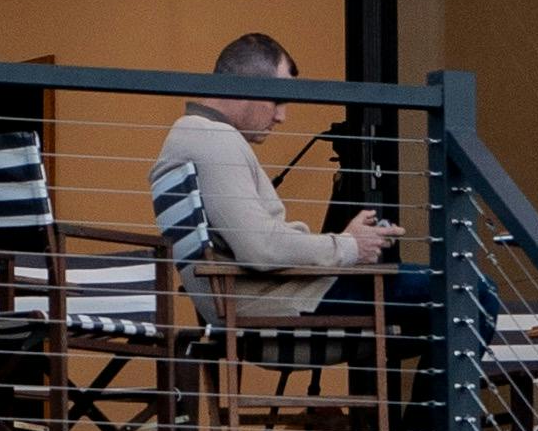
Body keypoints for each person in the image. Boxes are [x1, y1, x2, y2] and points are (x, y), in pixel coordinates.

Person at [158, 32, 399, 321]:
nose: (281, 117)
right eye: (277, 100)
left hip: (272, 296)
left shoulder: (193, 135)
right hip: (282, 302)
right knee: (436, 286)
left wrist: (345, 243)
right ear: (244, 87)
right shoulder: (213, 139)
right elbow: (262, 248)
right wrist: (350, 246)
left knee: (428, 289)